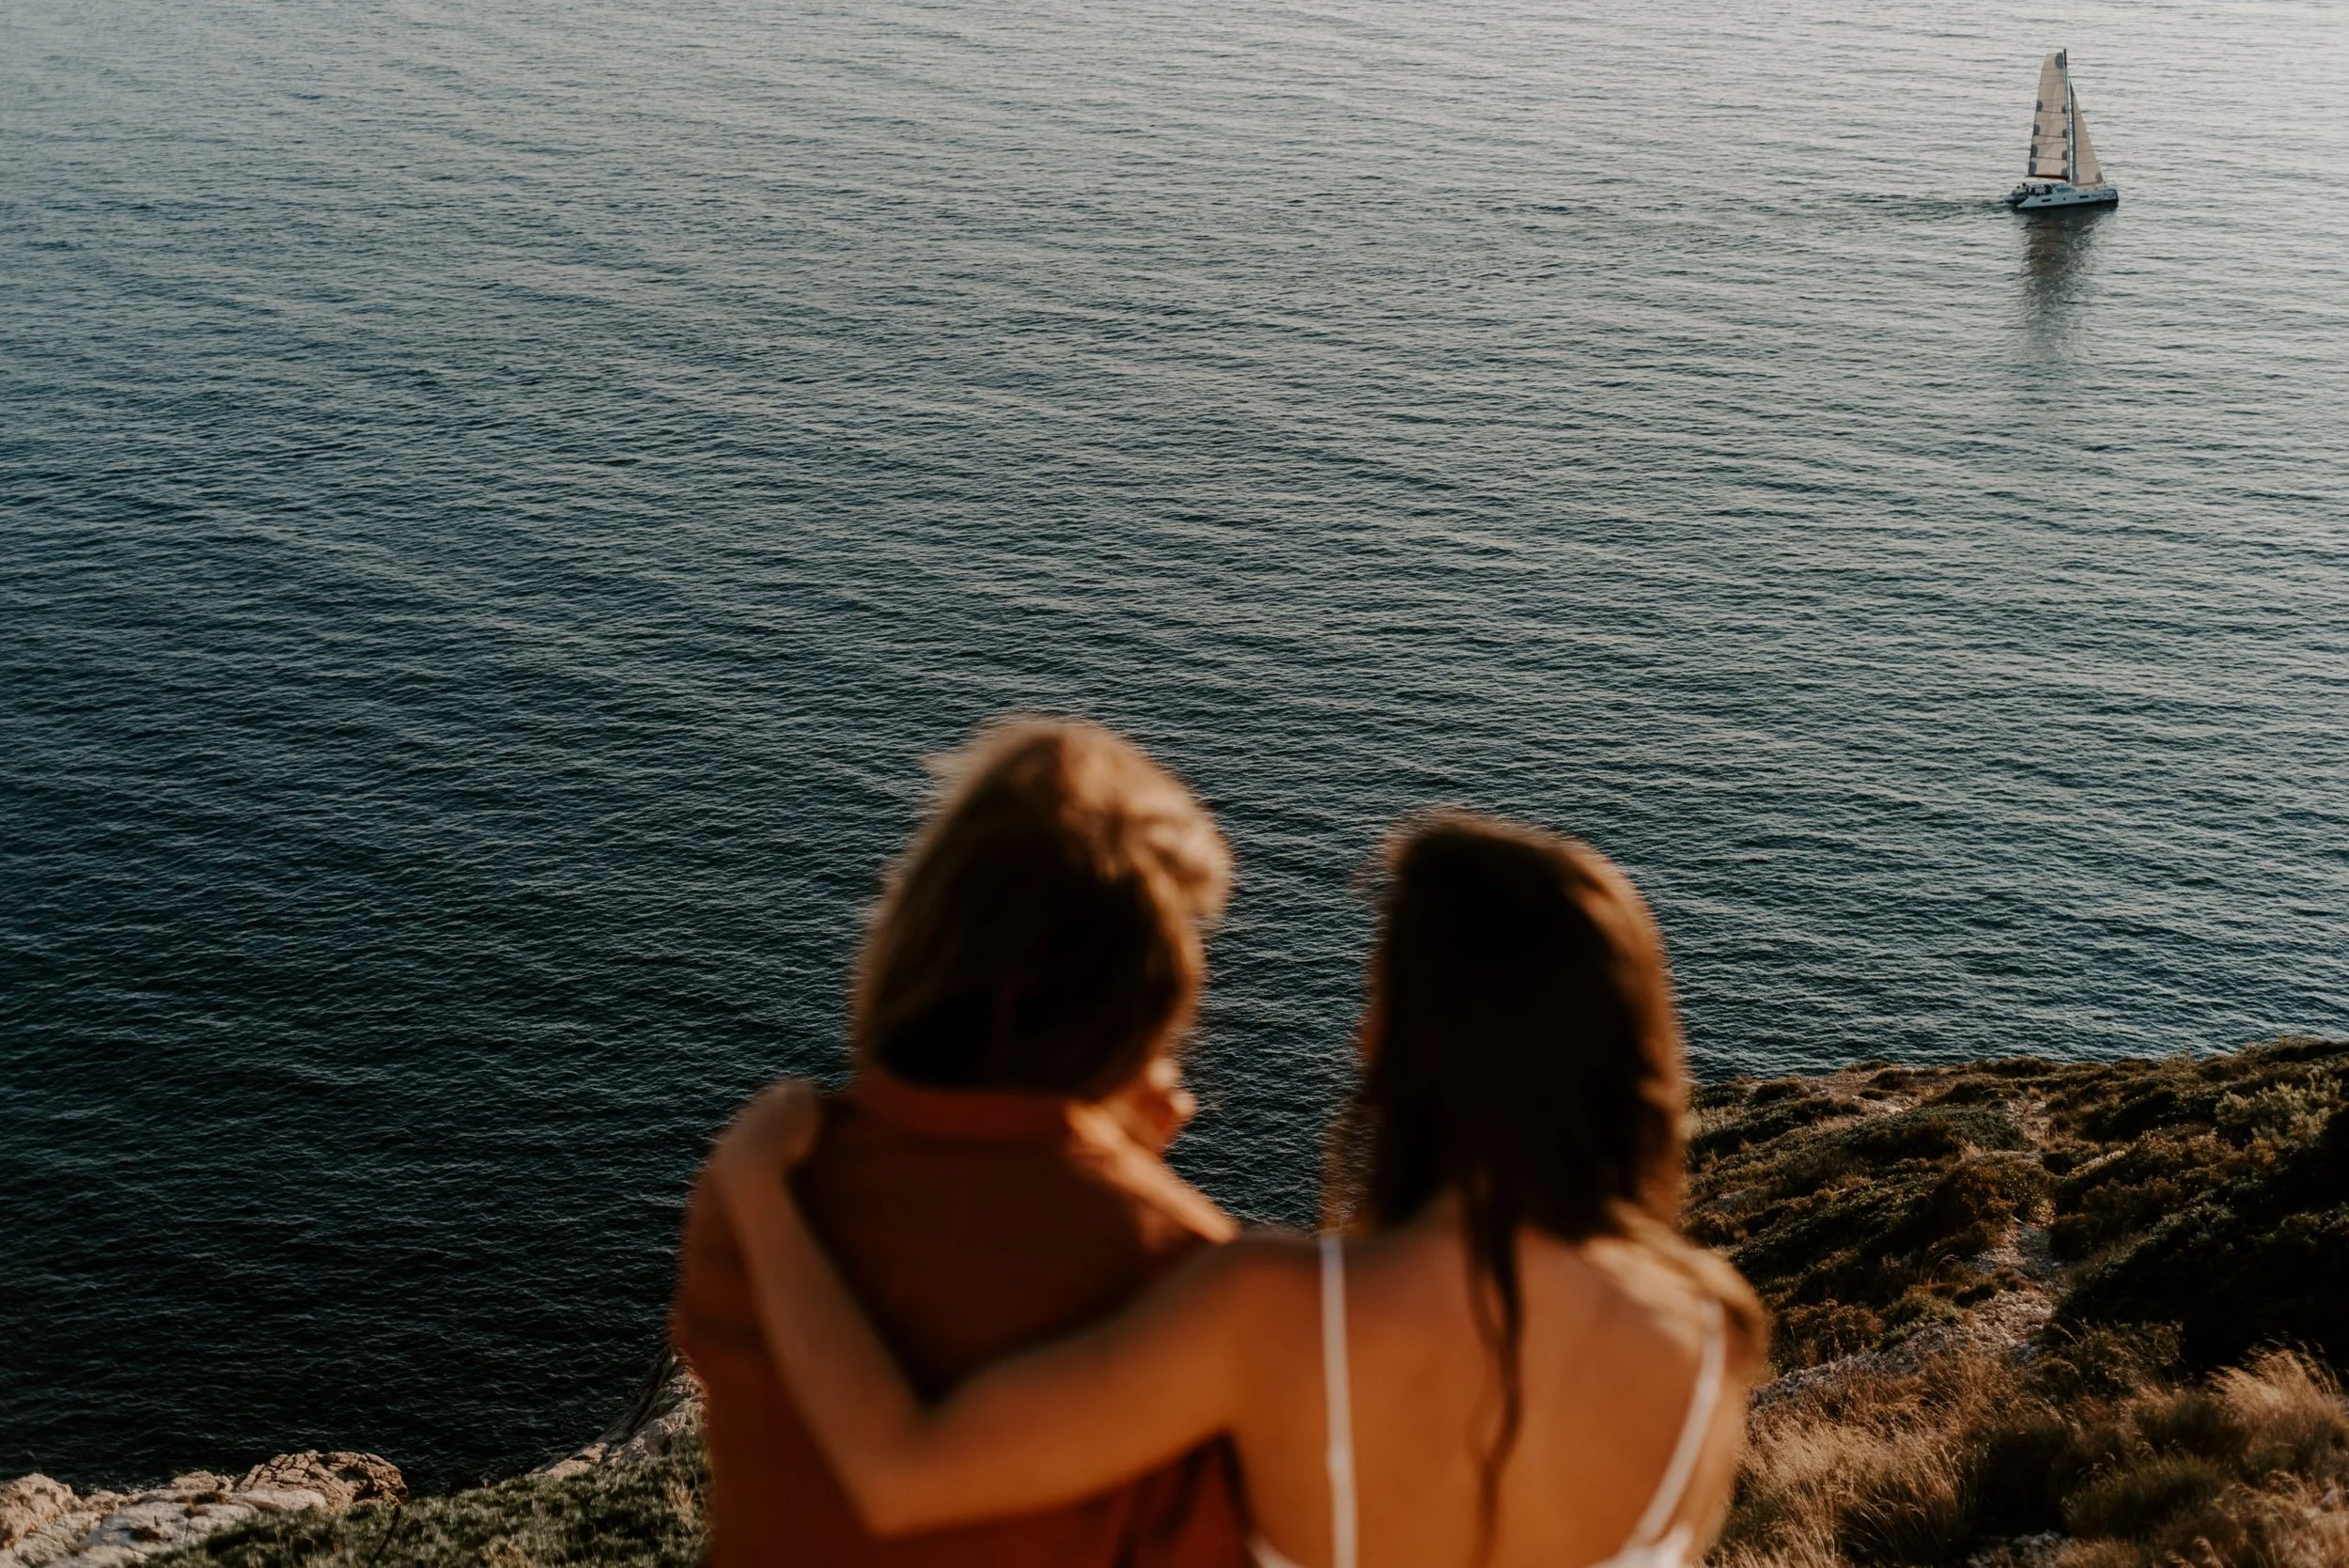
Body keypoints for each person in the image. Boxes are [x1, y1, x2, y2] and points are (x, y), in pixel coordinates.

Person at [711, 812, 1769, 1568]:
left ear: (1406, 1041)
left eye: (1376, 994)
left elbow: (900, 1469)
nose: (1359, 1028)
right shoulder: (1716, 1336)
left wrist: (760, 1185)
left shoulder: (1270, 1308)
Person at [670, 718, 1252, 1568]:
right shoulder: (1189, 1273)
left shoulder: (759, 1188)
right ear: (1153, 991)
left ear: (921, 929)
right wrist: (1125, 1184)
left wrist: (1105, 1166)